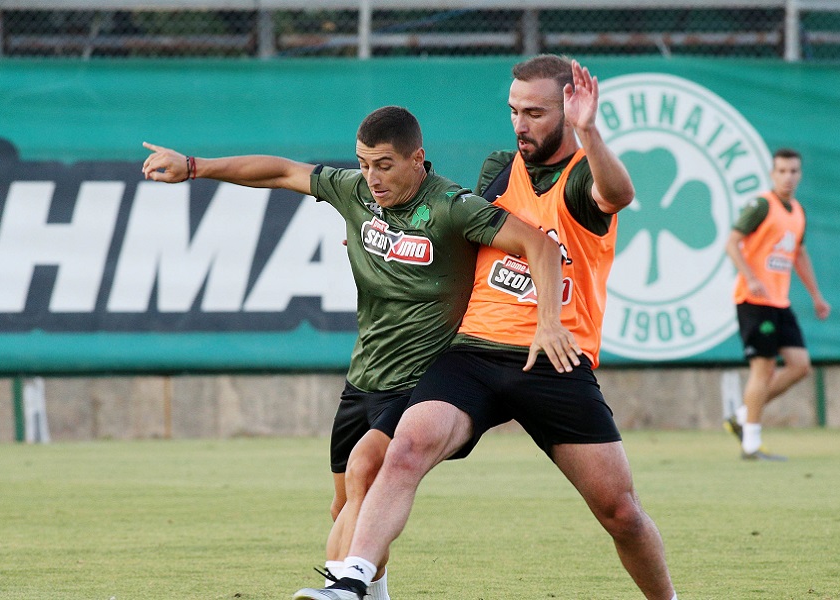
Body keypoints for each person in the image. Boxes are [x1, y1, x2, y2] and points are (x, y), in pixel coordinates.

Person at [141, 105, 575, 599]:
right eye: (364, 163)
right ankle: (373, 590)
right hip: (364, 376)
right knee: (345, 503)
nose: (371, 176)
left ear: (418, 158)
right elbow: (283, 171)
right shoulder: (356, 192)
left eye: (384, 164)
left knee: (367, 472)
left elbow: (539, 246)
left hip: (421, 384)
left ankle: (341, 591)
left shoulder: (453, 207)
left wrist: (548, 324)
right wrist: (195, 167)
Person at [294, 56, 677, 600]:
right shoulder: (499, 169)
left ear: (570, 113)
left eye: (537, 113)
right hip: (471, 352)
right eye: (515, 110)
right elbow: (462, 237)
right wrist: (376, 237)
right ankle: (350, 580)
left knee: (621, 512)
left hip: (554, 359)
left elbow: (617, 196)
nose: (521, 124)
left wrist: (590, 133)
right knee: (405, 448)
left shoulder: (582, 179)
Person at [723, 148, 831, 461]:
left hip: (779, 302)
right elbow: (731, 242)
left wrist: (816, 295)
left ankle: (743, 416)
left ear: (800, 174)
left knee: (800, 366)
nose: (788, 177)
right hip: (754, 300)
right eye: (782, 171)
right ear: (772, 173)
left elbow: (799, 254)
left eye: (794, 171)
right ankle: (751, 444)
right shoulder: (761, 206)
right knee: (764, 369)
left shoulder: (798, 211)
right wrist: (750, 276)